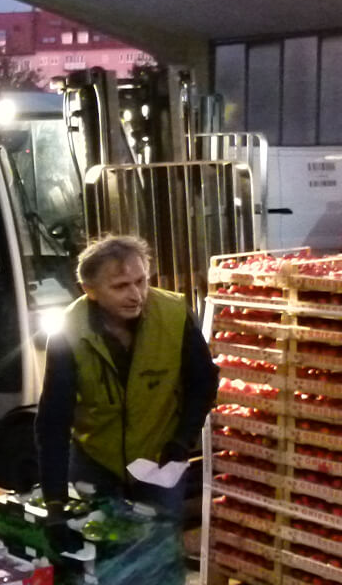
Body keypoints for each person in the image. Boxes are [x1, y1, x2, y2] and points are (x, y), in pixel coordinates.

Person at [36, 235, 218, 559]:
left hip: (158, 458)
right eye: (120, 286)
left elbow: (203, 382)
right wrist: (54, 504)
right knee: (99, 553)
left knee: (156, 554)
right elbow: (53, 420)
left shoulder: (174, 315)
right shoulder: (68, 332)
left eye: (141, 281)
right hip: (96, 459)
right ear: (89, 290)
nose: (136, 295)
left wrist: (180, 442)